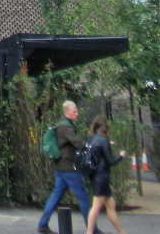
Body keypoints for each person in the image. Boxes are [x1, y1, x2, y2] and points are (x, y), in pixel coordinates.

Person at [38, 100, 95, 234]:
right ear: (66, 112)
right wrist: (90, 146)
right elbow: (77, 141)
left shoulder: (61, 125)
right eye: (74, 111)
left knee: (56, 195)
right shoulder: (66, 127)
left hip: (60, 166)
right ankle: (93, 229)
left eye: (77, 111)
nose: (77, 113)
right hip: (68, 166)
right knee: (83, 196)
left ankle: (43, 224)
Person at [86, 115, 126, 234]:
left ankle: (122, 232)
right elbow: (111, 161)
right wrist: (121, 156)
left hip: (94, 175)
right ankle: (89, 232)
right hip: (102, 176)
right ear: (105, 126)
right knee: (96, 207)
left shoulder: (90, 138)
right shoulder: (104, 140)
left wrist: (108, 143)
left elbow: (96, 149)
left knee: (111, 205)